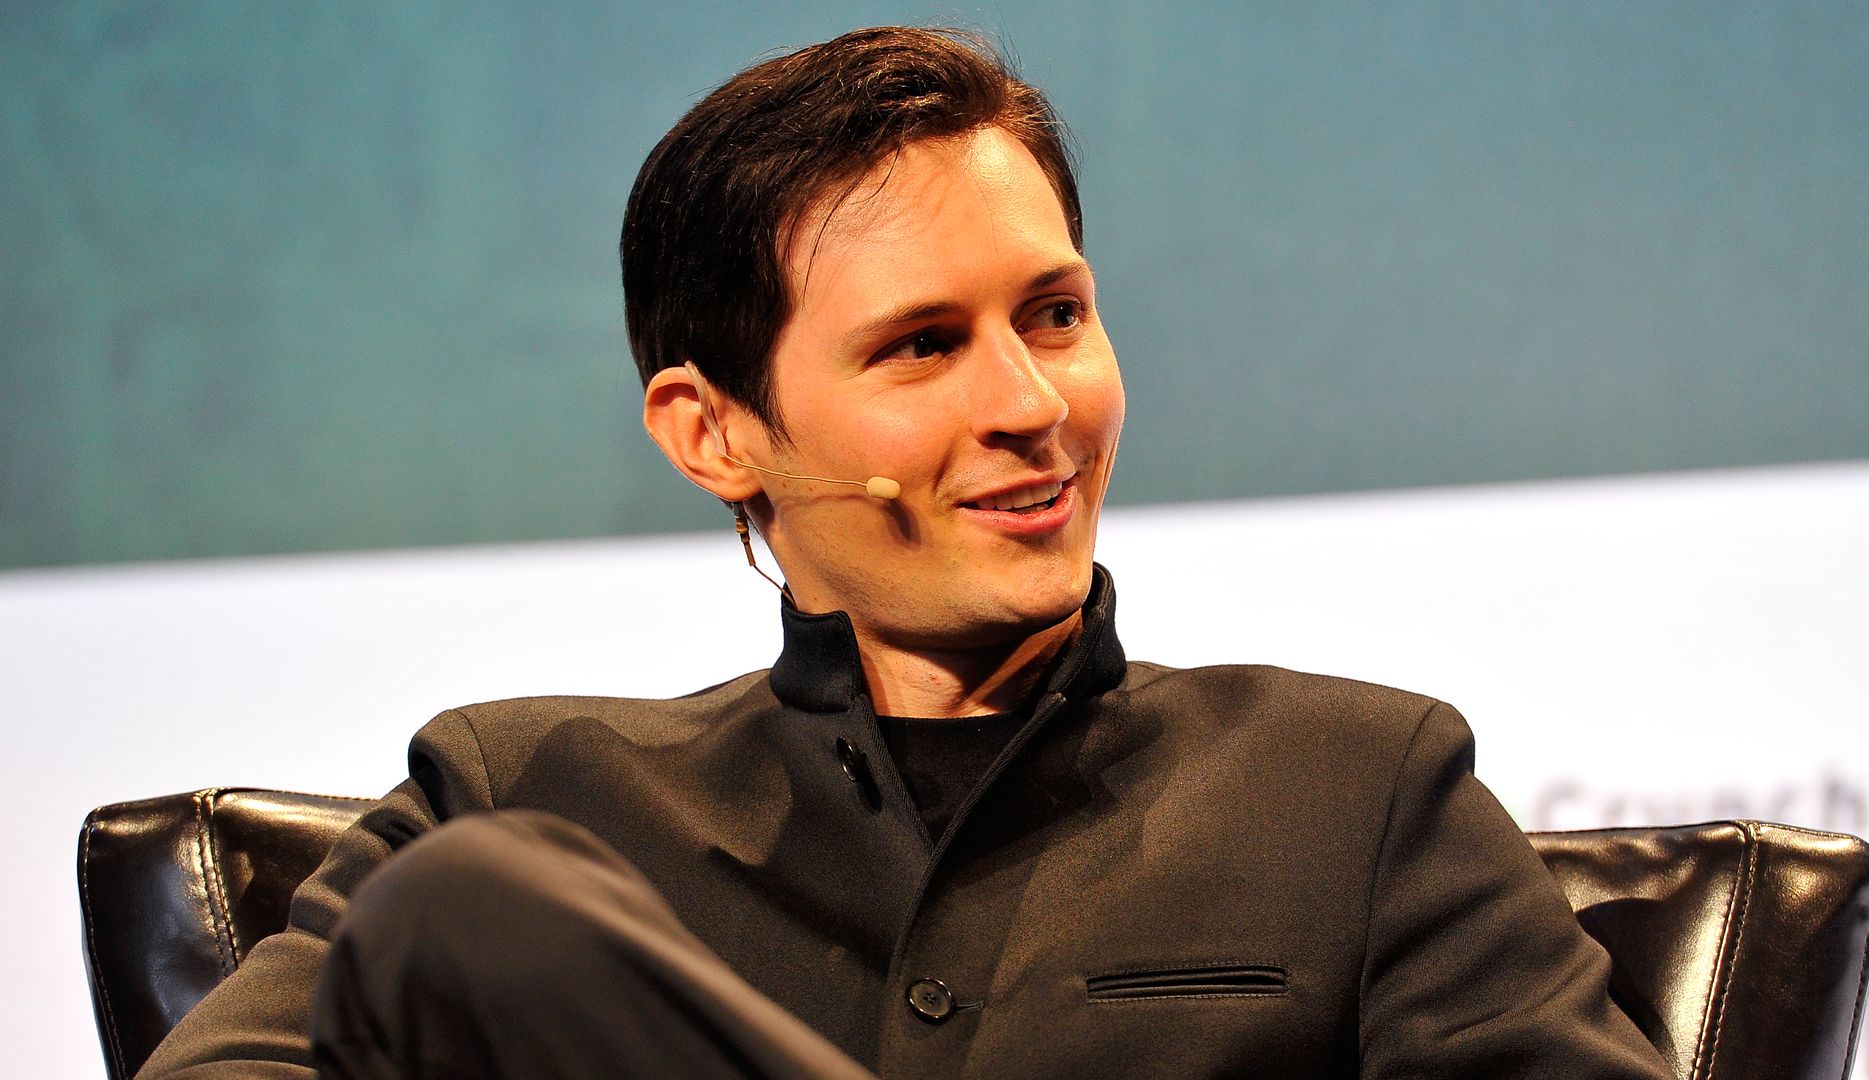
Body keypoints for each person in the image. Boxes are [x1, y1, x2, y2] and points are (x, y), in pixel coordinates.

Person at [138, 26, 1673, 1080]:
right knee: (465, 919)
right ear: (711, 431)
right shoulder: (530, 797)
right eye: (924, 346)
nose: (1029, 405)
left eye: (1055, 315)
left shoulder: (1356, 791)